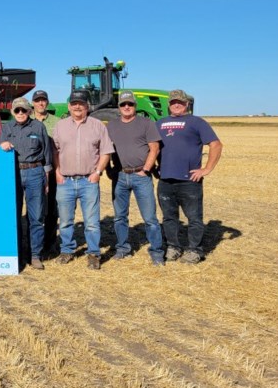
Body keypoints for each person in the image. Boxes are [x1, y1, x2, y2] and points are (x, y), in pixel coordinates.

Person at [157, 89, 223, 264]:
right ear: (168, 104)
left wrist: (206, 169)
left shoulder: (197, 122)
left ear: (187, 104)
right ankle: (173, 246)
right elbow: (152, 147)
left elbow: (216, 145)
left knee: (194, 218)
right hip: (165, 180)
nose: (176, 104)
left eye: (180, 102)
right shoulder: (160, 123)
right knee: (169, 217)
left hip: (189, 181)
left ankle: (194, 250)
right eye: (172, 102)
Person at [52, 90, 115, 270]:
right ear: (69, 106)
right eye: (74, 103)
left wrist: (97, 173)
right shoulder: (60, 126)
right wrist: (57, 172)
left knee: (92, 221)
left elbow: (106, 152)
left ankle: (94, 253)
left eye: (81, 103)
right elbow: (55, 151)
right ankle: (67, 250)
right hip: (66, 181)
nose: (77, 106)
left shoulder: (97, 125)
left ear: (87, 106)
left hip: (89, 181)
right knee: (65, 220)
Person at [104, 91, 165, 265]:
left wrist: (145, 169)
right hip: (121, 175)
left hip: (141, 176)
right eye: (123, 105)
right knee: (119, 217)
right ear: (119, 107)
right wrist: (108, 169)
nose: (127, 107)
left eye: (130, 104)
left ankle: (156, 252)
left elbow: (155, 148)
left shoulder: (146, 123)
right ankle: (123, 248)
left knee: (150, 218)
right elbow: (105, 150)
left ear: (135, 106)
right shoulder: (111, 126)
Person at [0, 97, 53, 270]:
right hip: (12, 173)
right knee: (12, 215)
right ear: (12, 112)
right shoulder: (6, 128)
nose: (21, 113)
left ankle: (35, 255)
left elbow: (47, 155)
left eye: (24, 110)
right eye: (17, 110)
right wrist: (2, 144)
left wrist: (46, 179)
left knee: (36, 216)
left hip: (35, 172)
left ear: (29, 111)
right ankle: (16, 254)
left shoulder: (38, 126)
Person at [31, 90, 60, 254]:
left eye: (43, 100)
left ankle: (50, 243)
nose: (40, 103)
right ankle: (34, 244)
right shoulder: (27, 121)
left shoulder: (57, 122)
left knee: (52, 209)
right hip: (33, 170)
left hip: (52, 169)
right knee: (34, 209)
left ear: (47, 103)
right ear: (33, 103)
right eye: (37, 100)